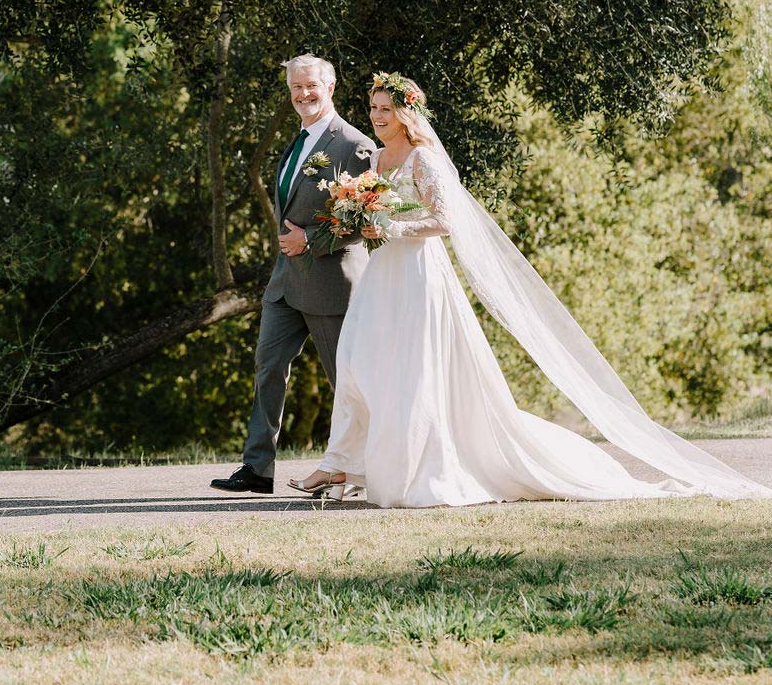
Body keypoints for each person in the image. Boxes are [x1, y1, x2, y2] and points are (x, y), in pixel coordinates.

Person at [289, 72, 771, 507]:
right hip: (382, 275)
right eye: (373, 108)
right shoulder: (374, 157)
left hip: (416, 273)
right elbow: (371, 210)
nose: (376, 117)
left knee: (411, 370)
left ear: (406, 112)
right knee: (356, 360)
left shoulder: (424, 158)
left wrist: (389, 227)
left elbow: (443, 220)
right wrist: (362, 218)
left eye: (385, 109)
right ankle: (347, 463)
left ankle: (399, 467)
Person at [211, 54, 374, 495]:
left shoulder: (354, 146)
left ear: (331, 87)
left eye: (311, 86)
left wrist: (311, 240)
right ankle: (257, 469)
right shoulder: (298, 141)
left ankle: (364, 469)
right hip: (284, 285)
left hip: (330, 285)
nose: (303, 95)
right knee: (267, 368)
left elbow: (366, 221)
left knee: (347, 384)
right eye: (295, 88)